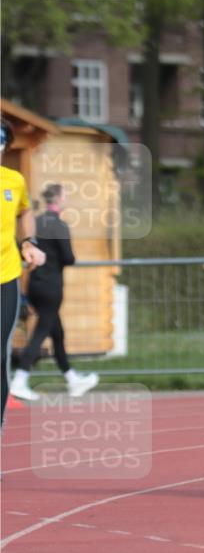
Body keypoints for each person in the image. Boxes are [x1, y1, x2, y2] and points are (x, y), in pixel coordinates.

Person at [10, 183, 99, 401]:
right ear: (58, 199)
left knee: (57, 333)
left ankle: (72, 379)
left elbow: (21, 245)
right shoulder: (59, 225)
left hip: (34, 284)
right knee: (41, 332)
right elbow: (68, 257)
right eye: (65, 195)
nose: (66, 199)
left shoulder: (36, 222)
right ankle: (19, 380)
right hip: (51, 286)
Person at [1, 119, 46, 424]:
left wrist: (28, 241)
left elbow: (25, 210)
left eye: (1, 139)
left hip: (4, 277)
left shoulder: (13, 181)